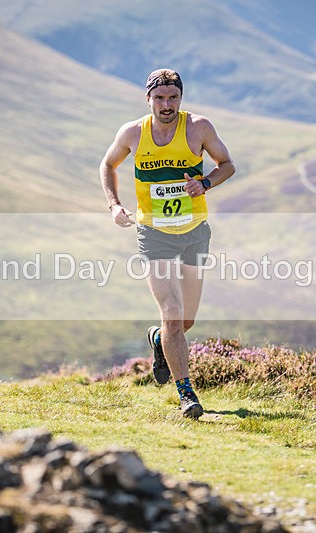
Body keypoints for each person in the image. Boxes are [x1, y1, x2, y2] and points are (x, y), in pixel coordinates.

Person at [99, 68, 235, 419]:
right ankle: (187, 395)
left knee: (185, 322)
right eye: (159, 98)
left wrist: (205, 183)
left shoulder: (198, 128)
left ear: (181, 99)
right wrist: (114, 205)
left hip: (194, 233)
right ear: (148, 99)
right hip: (153, 233)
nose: (166, 104)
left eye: (173, 97)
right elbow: (108, 164)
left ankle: (159, 341)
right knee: (172, 316)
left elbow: (227, 165)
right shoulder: (132, 133)